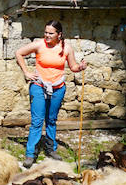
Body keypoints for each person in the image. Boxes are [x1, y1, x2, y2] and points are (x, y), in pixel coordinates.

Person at [14, 20, 86, 166]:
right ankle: (30, 154)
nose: (47, 35)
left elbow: (73, 66)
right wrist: (26, 72)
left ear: (59, 35)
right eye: (46, 32)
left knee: (51, 120)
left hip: (58, 87)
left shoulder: (66, 48)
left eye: (50, 33)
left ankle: (51, 149)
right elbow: (19, 53)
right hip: (39, 86)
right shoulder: (39, 45)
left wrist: (80, 67)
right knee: (37, 121)